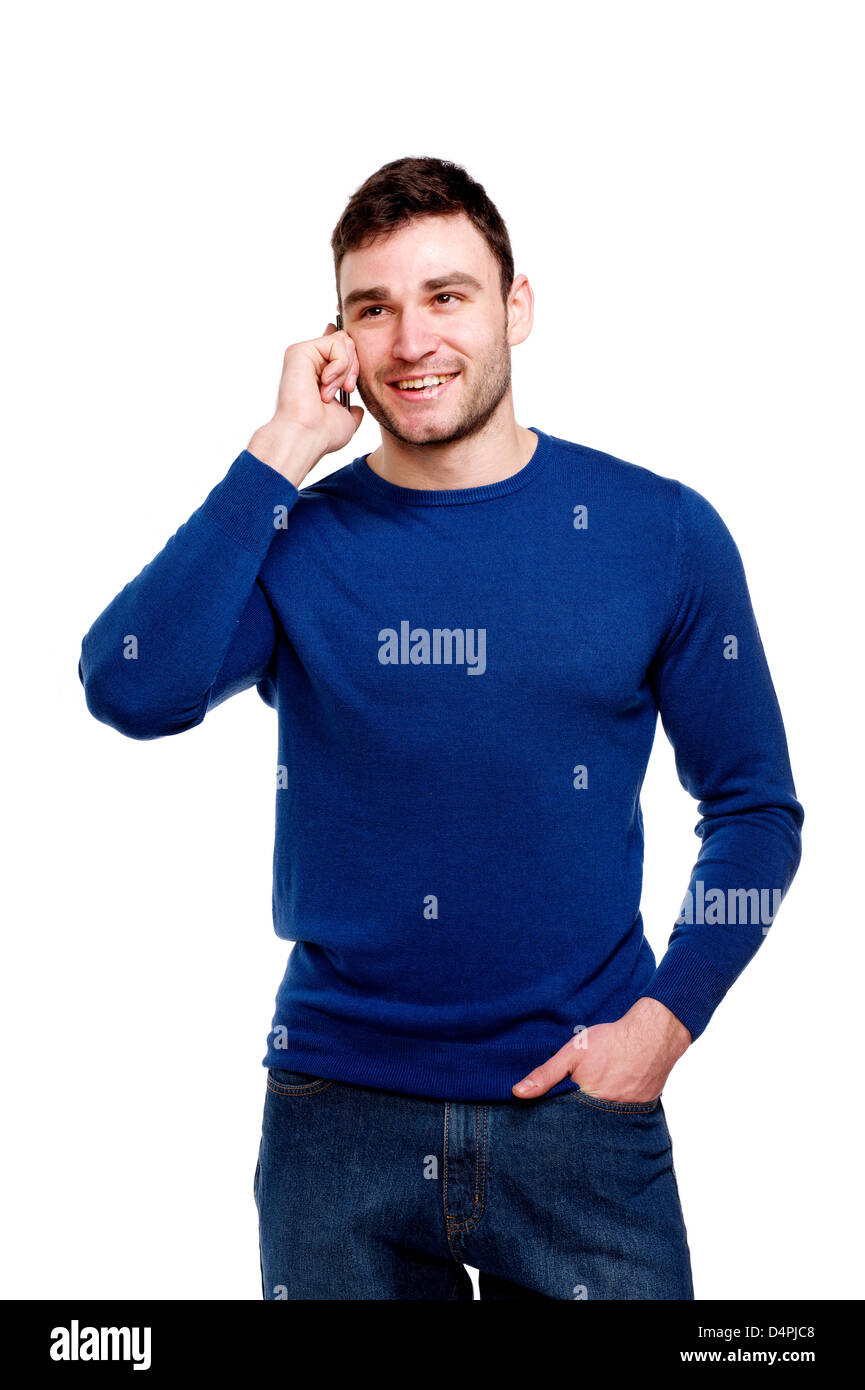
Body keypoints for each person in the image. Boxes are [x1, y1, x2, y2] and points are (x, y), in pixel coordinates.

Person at [78, 155, 804, 1301]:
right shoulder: (297, 538)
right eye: (374, 309)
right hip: (337, 1123)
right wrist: (276, 451)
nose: (411, 339)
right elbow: (127, 685)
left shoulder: (659, 532)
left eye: (447, 296)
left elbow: (756, 808)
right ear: (339, 342)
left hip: (580, 1119)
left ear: (516, 305)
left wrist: (667, 1020)